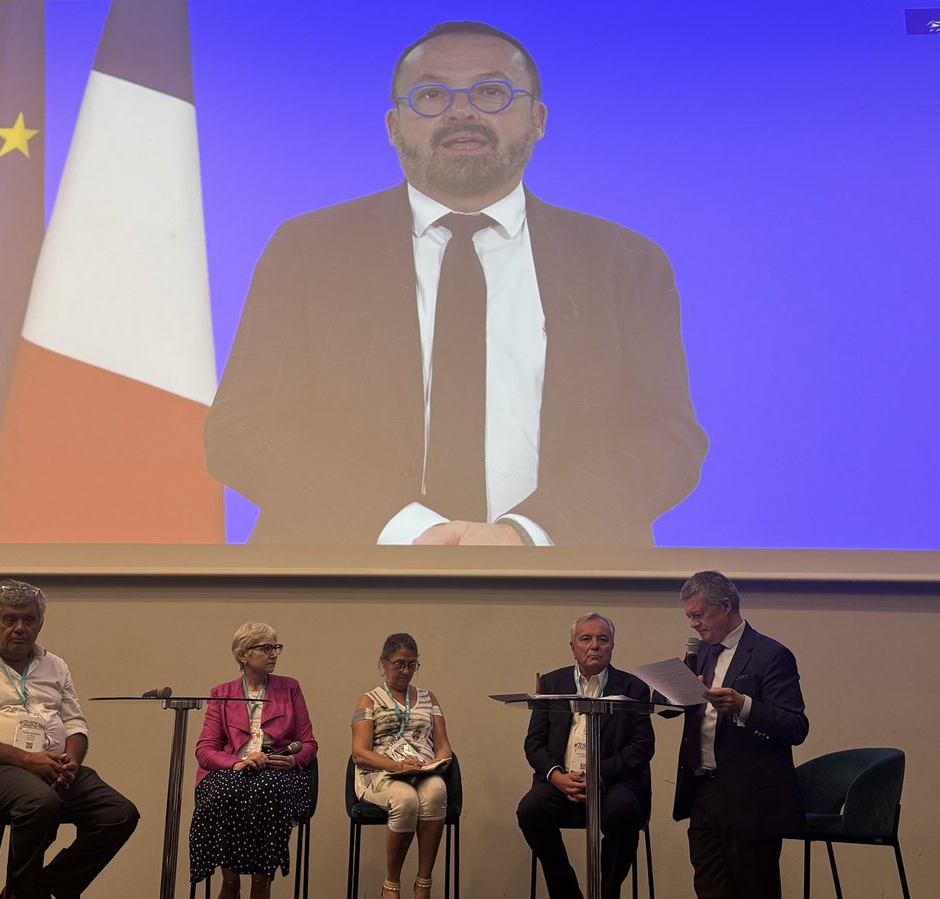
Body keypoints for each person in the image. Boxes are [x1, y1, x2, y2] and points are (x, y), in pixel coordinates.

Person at [204, 20, 708, 547]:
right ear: (393, 126)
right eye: (431, 95)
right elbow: (243, 430)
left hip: (567, 579)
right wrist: (409, 532)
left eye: (491, 92)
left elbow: (667, 439)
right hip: (345, 572)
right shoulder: (310, 250)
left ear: (538, 119)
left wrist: (526, 535)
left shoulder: (623, 262)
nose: (462, 112)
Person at [0, 579, 139, 899]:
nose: (20, 628)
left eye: (29, 620)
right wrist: (29, 761)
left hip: (53, 767)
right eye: (10, 619)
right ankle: (25, 894)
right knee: (41, 802)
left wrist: (71, 761)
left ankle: (41, 887)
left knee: (119, 813)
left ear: (40, 624)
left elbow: (75, 724)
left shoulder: (55, 665)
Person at [672, 571, 809, 899]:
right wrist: (676, 694)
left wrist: (743, 706)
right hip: (703, 790)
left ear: (725, 606)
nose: (693, 624)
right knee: (710, 890)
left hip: (750, 798)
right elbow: (681, 707)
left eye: (698, 615)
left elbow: (795, 726)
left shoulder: (770, 654)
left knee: (755, 890)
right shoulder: (701, 653)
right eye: (689, 616)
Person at [517, 613, 654, 899]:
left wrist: (599, 775)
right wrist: (556, 776)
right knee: (530, 811)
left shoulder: (634, 688)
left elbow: (642, 746)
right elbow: (534, 743)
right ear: (573, 648)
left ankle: (607, 894)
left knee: (625, 811)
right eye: (586, 639)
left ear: (612, 646)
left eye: (603, 640)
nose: (595, 646)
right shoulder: (552, 683)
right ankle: (567, 894)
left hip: (613, 782)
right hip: (562, 779)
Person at [189, 623, 317, 899]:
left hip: (277, 772)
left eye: (276, 647)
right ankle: (230, 880)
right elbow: (205, 749)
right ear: (243, 655)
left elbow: (309, 743)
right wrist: (236, 763)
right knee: (227, 791)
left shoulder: (290, 687)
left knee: (268, 788)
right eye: (266, 648)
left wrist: (293, 761)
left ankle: (261, 882)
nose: (274, 654)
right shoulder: (221, 693)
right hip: (233, 770)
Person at [351, 633, 453, 899]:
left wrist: (437, 763)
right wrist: (396, 766)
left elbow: (443, 745)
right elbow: (359, 753)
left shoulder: (429, 698)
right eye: (399, 664)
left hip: (422, 770)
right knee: (406, 800)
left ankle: (423, 884)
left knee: (436, 791)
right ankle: (391, 885)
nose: (406, 671)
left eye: (411, 664)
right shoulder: (369, 700)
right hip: (381, 773)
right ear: (383, 663)